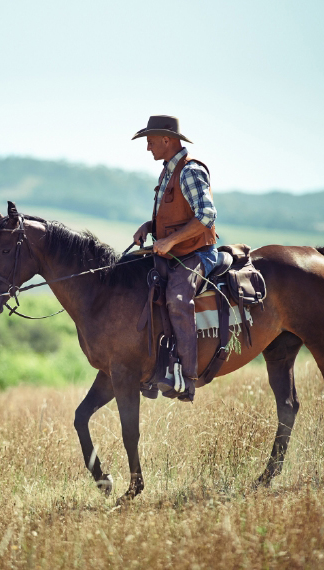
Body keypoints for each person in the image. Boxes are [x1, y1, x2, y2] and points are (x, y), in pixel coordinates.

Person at [131, 115, 219, 402]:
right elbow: (174, 216)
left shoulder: (189, 171)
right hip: (175, 252)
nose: (147, 148)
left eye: (150, 141)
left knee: (177, 300)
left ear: (167, 140)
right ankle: (154, 367)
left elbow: (206, 215)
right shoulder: (168, 171)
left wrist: (169, 241)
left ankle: (187, 378)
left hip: (197, 254)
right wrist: (150, 227)